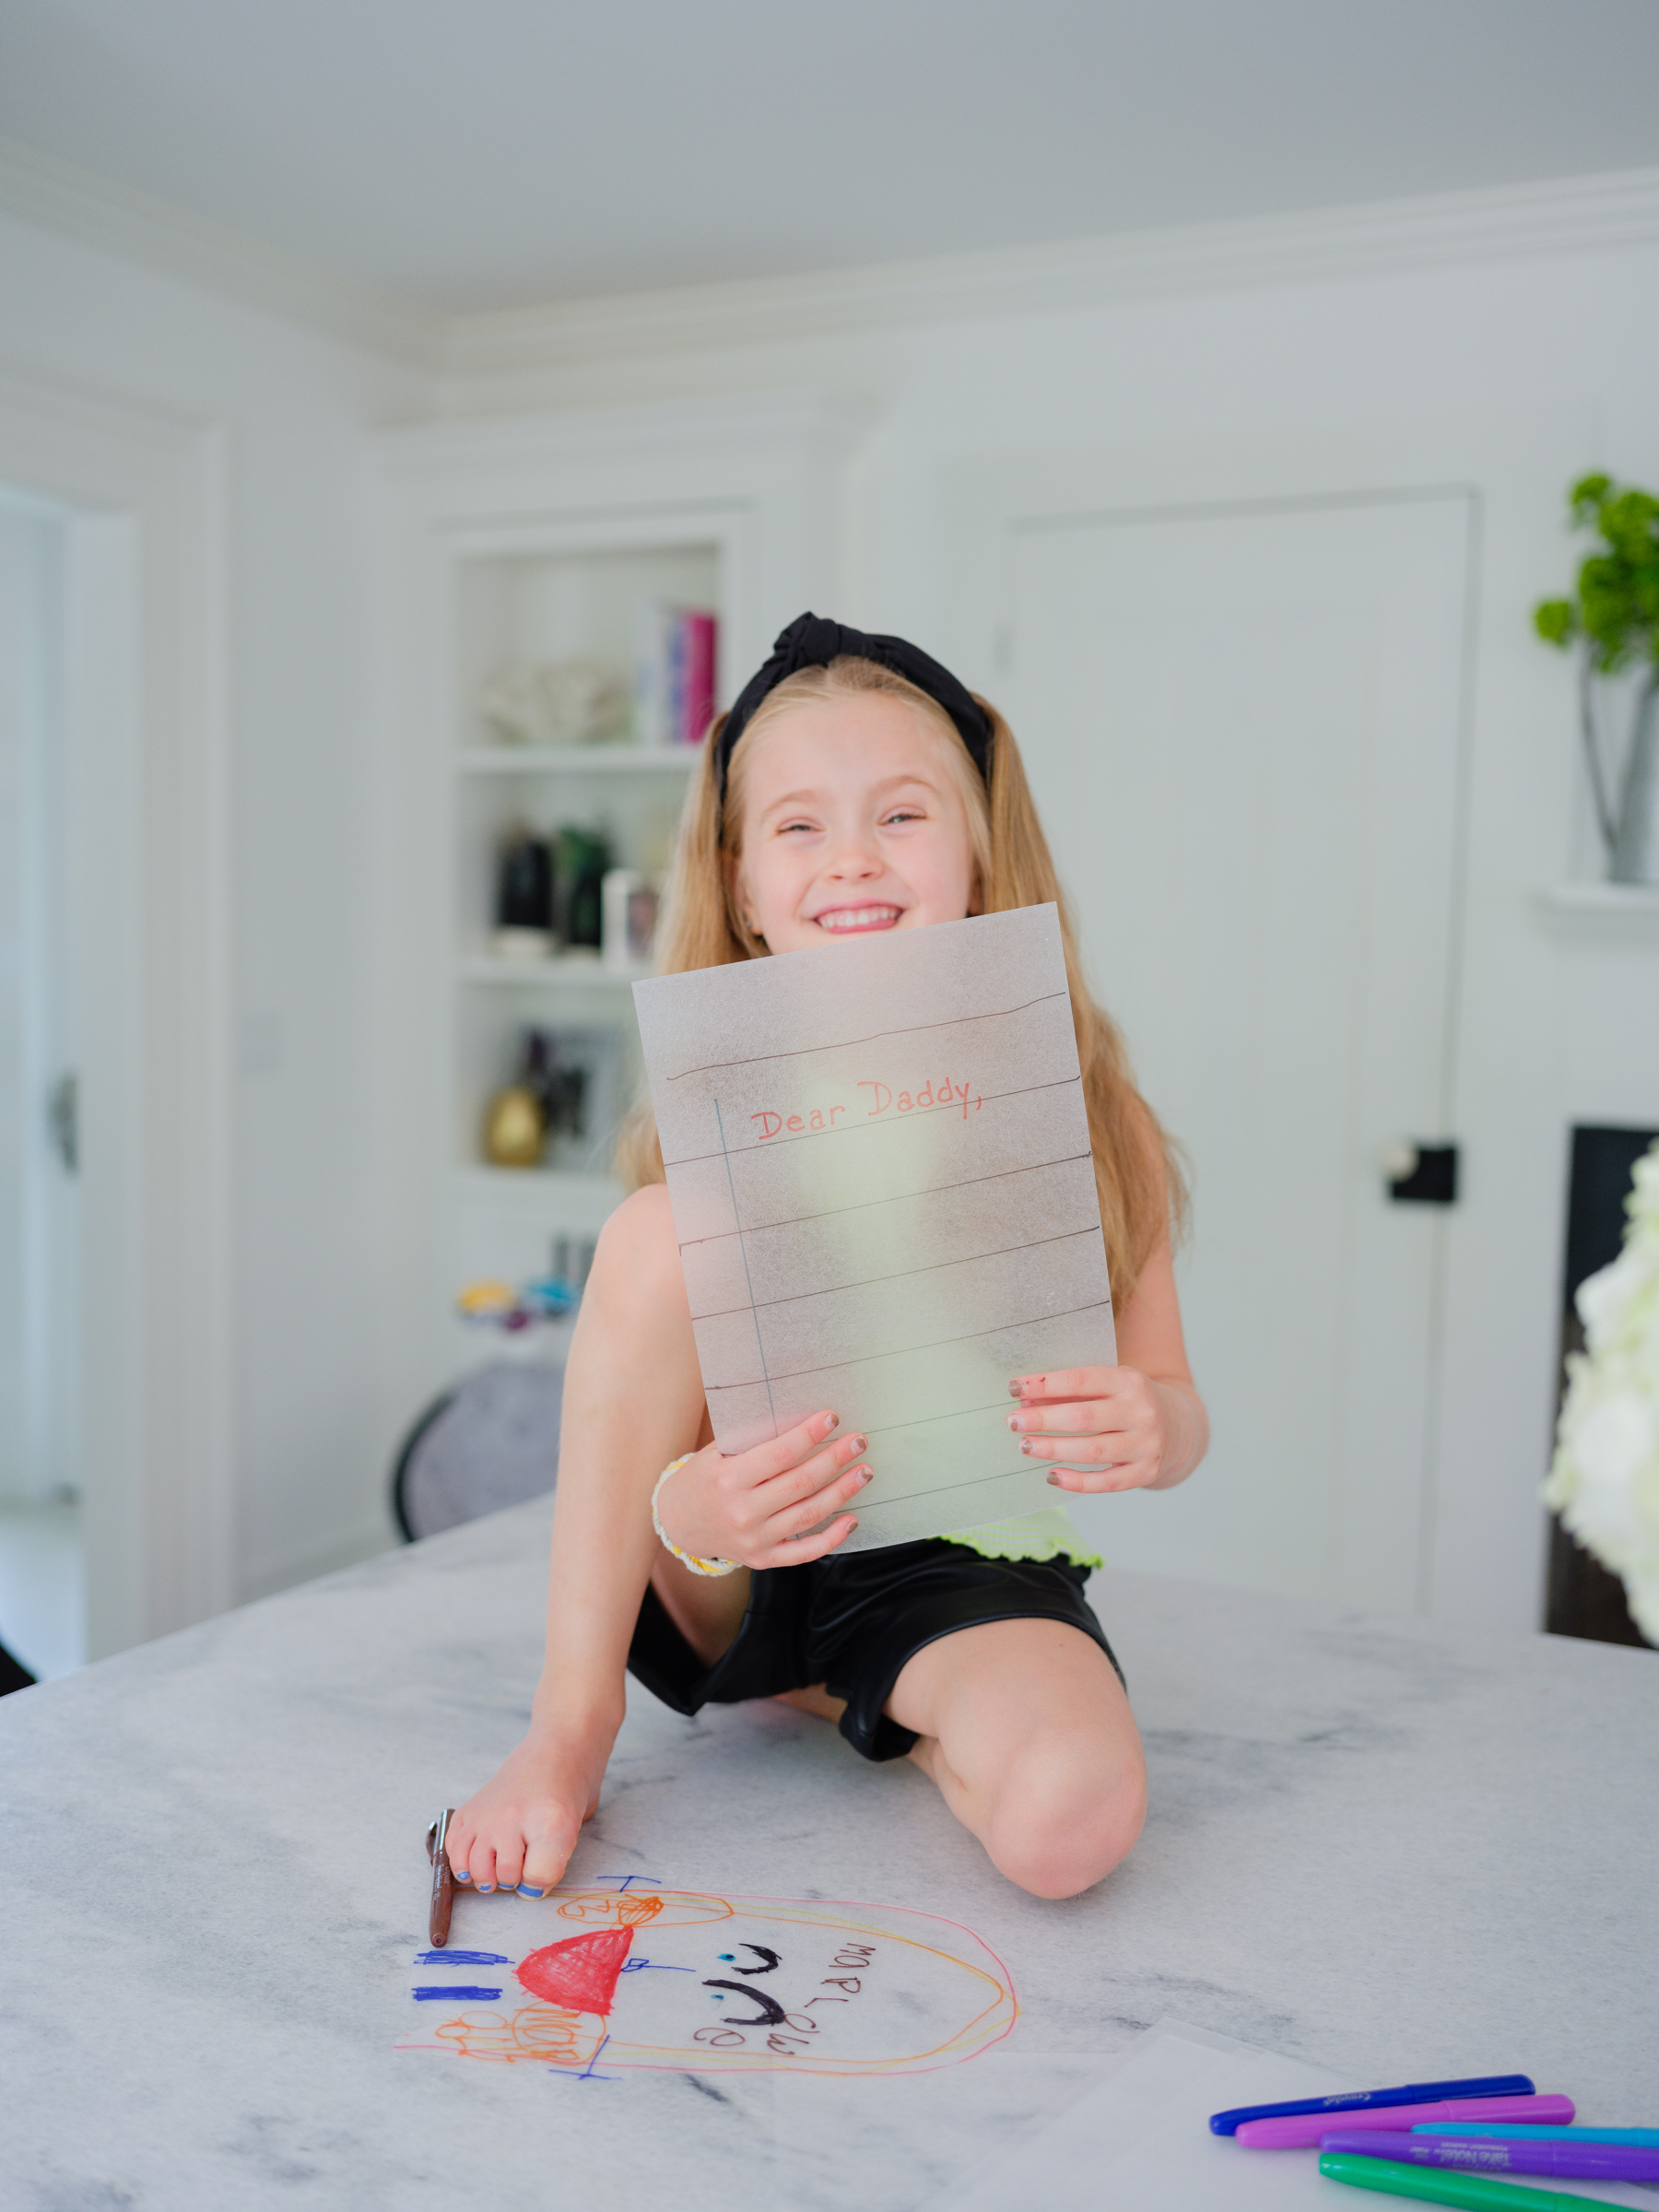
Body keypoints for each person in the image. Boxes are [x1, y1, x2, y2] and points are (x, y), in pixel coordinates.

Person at [448, 615, 1208, 1902]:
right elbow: (655, 1461)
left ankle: (883, 1702)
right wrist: (689, 1518)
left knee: (1074, 1826)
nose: (851, 857)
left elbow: (1176, 1406)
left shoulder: (1083, 1106)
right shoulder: (722, 1112)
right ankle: (567, 1732)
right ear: (744, 889)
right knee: (646, 1231)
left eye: (902, 816)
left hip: (958, 1562)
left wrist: (1155, 1428)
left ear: (977, 850)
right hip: (737, 1557)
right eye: (799, 826)